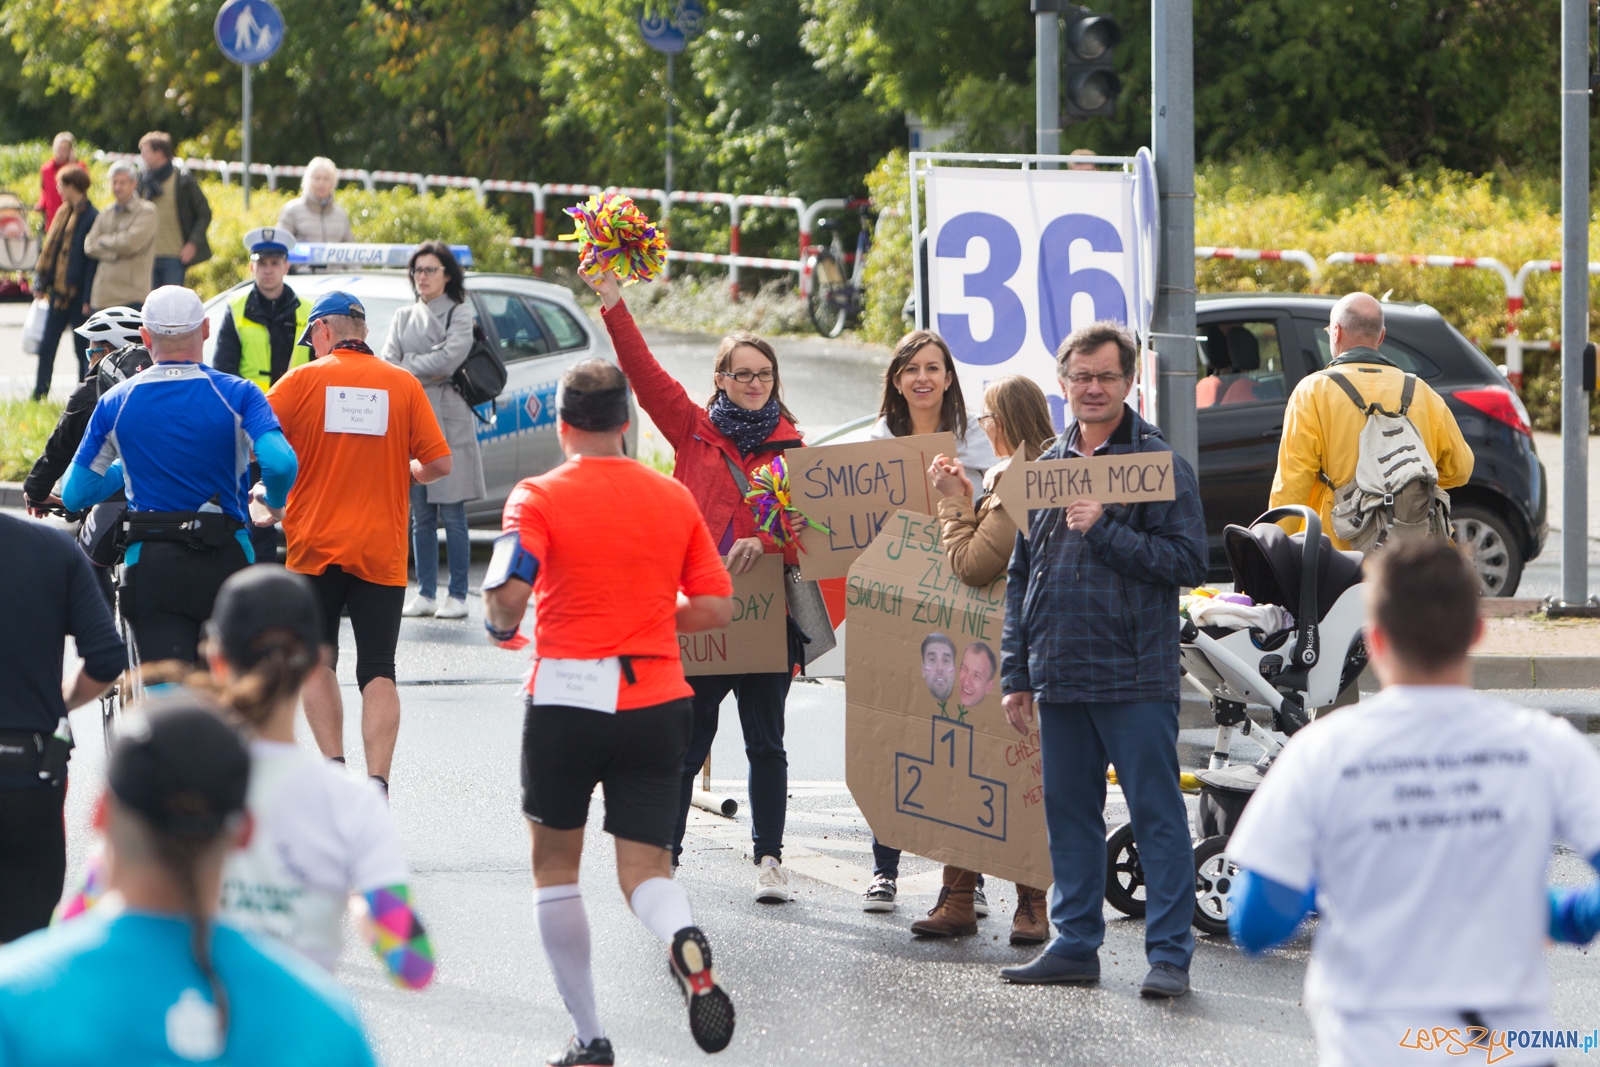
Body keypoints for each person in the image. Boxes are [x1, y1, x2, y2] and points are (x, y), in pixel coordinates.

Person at [1227, 537, 1600, 1066]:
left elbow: (1255, 923)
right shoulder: (1544, 745)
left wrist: (1332, 887)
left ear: (1374, 641)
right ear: (1476, 632)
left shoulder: (1323, 752)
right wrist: (1561, 915)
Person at [484, 357, 737, 1066]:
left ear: (563, 425)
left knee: (556, 868)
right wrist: (658, 614)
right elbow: (717, 607)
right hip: (656, 699)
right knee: (646, 871)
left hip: (566, 697)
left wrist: (501, 628)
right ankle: (681, 933)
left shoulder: (536, 496)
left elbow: (506, 598)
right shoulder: (671, 497)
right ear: (626, 422)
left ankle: (590, 1035)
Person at [996, 320, 1208, 998]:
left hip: (1135, 673)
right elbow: (1022, 574)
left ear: (1130, 381)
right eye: (1082, 376)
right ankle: (1075, 942)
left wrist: (1108, 529)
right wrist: (1016, 672)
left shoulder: (1156, 464)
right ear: (1063, 382)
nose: (1093, 387)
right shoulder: (1045, 467)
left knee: (1156, 812)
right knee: (1070, 814)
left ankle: (1169, 954)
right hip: (1059, 671)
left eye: (1107, 376)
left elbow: (1186, 561)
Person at [586, 269, 807, 904]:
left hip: (766, 618)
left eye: (763, 375)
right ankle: (667, 860)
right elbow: (643, 370)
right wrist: (613, 303)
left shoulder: (793, 449)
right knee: (686, 743)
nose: (755, 384)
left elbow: (806, 538)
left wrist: (764, 542)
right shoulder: (690, 428)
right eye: (742, 374)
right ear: (720, 379)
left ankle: (770, 860)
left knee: (767, 742)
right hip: (700, 611)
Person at [0, 698, 380, 1065]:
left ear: (99, 814)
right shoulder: (324, 1020)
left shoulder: (15, 1000)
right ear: (244, 832)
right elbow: (414, 966)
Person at [266, 291, 452, 795]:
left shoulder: (302, 381)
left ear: (325, 330)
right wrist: (405, 472)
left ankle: (333, 771)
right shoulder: (402, 384)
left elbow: (254, 438)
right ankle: (376, 786)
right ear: (363, 331)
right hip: (380, 548)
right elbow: (439, 464)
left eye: (312, 337)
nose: (311, 347)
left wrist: (268, 493)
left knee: (316, 662)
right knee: (378, 668)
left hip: (313, 546)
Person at [59, 287, 298, 665]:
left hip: (151, 562)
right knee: (227, 693)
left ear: (145, 337)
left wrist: (125, 469)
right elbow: (281, 463)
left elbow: (75, 493)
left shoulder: (115, 401)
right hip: (227, 555)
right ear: (205, 329)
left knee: (166, 696)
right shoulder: (240, 393)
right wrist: (273, 501)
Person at [907, 373, 1058, 944]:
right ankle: (965, 896)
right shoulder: (1034, 472)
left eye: (988, 420)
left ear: (1006, 424)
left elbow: (972, 564)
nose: (983, 429)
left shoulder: (1024, 480)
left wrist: (952, 506)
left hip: (1012, 651)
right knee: (977, 765)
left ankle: (1024, 903)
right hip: (1003, 646)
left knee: (1005, 769)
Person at [862, 328, 998, 915]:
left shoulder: (976, 443)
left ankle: (971, 878)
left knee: (963, 739)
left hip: (963, 604)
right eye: (912, 368)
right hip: (895, 609)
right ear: (897, 380)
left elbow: (994, 516)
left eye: (934, 367)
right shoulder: (876, 441)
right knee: (894, 738)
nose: (923, 377)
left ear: (948, 378)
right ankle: (884, 869)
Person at [0, 512, 124, 943]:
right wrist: (58, 702)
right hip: (29, 772)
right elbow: (107, 658)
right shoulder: (52, 549)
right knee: (26, 947)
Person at [1269, 291, 1472, 551]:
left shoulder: (1313, 391)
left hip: (1340, 555)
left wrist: (1272, 548)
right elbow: (1461, 469)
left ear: (1336, 333)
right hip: (1413, 554)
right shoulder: (1420, 391)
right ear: (1382, 336)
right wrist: (1403, 485)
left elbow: (1292, 484)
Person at [383, 241, 483, 621]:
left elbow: (450, 357)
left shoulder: (460, 312)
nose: (422, 277)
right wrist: (420, 366)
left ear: (447, 275)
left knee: (453, 512)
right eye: (417, 271)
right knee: (420, 513)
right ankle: (425, 591)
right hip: (413, 415)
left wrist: (408, 363)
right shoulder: (403, 315)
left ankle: (457, 594)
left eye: (430, 270)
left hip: (449, 413)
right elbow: (389, 361)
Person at [214, 226, 313, 564]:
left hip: (299, 424)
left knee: (306, 511)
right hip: (252, 426)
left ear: (286, 266)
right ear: (252, 267)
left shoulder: (308, 310)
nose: (268, 269)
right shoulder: (237, 308)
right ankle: (262, 588)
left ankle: (314, 583)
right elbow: (224, 371)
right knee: (258, 517)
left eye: (275, 262)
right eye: (261, 262)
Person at [23, 307, 146, 519]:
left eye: (90, 353)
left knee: (88, 549)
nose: (88, 361)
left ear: (107, 352)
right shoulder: (161, 382)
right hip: (169, 502)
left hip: (110, 503)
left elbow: (60, 447)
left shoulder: (93, 388)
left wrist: (36, 490)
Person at [30, 163, 97, 398]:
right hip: (58, 292)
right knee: (47, 345)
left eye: (61, 184)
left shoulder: (91, 216)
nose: (57, 188)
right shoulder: (62, 212)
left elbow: (91, 263)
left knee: (81, 351)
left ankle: (82, 397)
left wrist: (88, 298)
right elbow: (53, 249)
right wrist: (41, 280)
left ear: (72, 186)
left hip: (78, 294)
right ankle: (39, 393)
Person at [137, 131, 213, 289]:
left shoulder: (183, 181)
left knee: (172, 308)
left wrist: (193, 243)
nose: (142, 156)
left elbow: (204, 213)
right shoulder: (142, 182)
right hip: (145, 258)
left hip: (174, 258)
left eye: (145, 152)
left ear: (158, 154)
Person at [83, 160, 157, 312]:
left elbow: (131, 243)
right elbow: (89, 246)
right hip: (101, 297)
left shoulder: (147, 211)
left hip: (131, 297)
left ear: (133, 184)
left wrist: (103, 241)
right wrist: (116, 250)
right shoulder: (105, 213)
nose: (117, 187)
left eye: (122, 182)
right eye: (114, 182)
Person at [276, 157, 355, 244]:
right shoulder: (292, 210)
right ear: (307, 181)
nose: (321, 183)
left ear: (333, 183)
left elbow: (350, 247)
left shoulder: (340, 214)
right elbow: (279, 244)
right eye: (317, 178)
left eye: (326, 179)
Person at [34, 132, 74, 228]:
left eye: (65, 149)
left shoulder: (75, 168)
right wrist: (41, 204)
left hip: (70, 217)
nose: (61, 152)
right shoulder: (46, 169)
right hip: (52, 218)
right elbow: (44, 192)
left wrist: (73, 162)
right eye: (59, 148)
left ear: (70, 150)